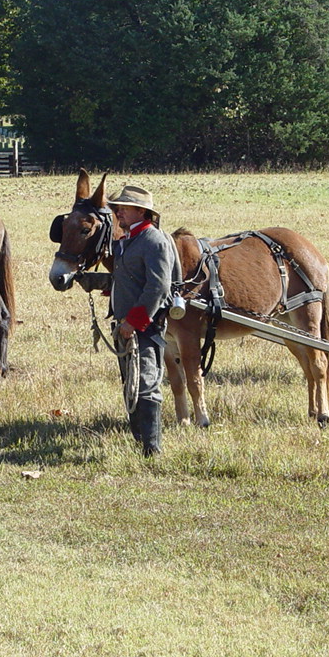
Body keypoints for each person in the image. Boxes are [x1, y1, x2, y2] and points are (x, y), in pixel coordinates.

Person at [108, 185, 177, 456]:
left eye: (123, 207)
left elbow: (157, 288)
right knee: (131, 381)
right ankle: (139, 439)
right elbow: (131, 279)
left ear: (141, 211)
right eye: (117, 207)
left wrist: (133, 323)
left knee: (146, 383)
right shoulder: (129, 240)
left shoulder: (153, 240)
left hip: (144, 327)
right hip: (126, 325)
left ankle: (152, 449)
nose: (118, 212)